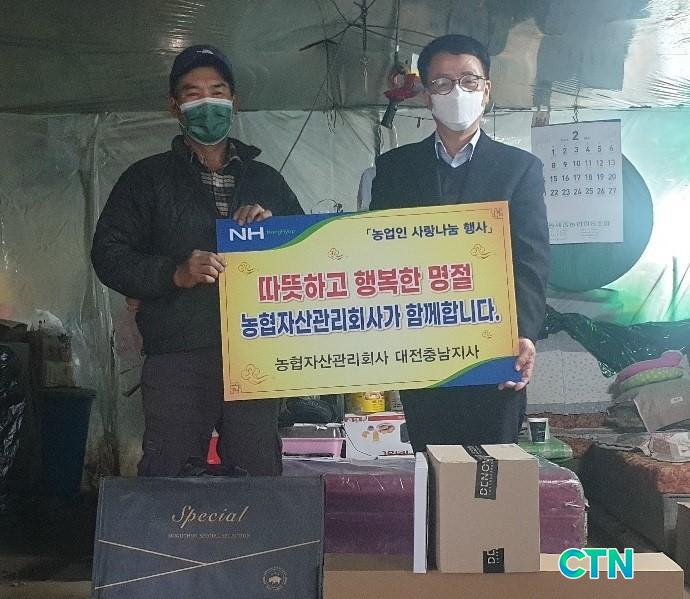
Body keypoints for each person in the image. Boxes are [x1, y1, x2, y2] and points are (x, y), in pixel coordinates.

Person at [91, 45, 303, 476]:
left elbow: (306, 253)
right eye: (193, 93)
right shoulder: (146, 178)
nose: (207, 102)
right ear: (175, 107)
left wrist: (273, 229)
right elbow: (108, 254)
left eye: (217, 91)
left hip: (256, 350)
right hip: (178, 353)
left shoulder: (266, 180)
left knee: (257, 472)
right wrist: (173, 273)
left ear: (234, 101)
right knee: (170, 472)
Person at [365, 34, 549, 451]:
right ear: (426, 95)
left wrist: (524, 333)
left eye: (468, 80)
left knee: (491, 470)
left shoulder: (519, 169)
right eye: (443, 83)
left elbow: (531, 259)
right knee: (435, 464)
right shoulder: (394, 169)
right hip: (422, 348)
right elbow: (378, 255)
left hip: (495, 349)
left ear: (487, 90)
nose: (457, 92)